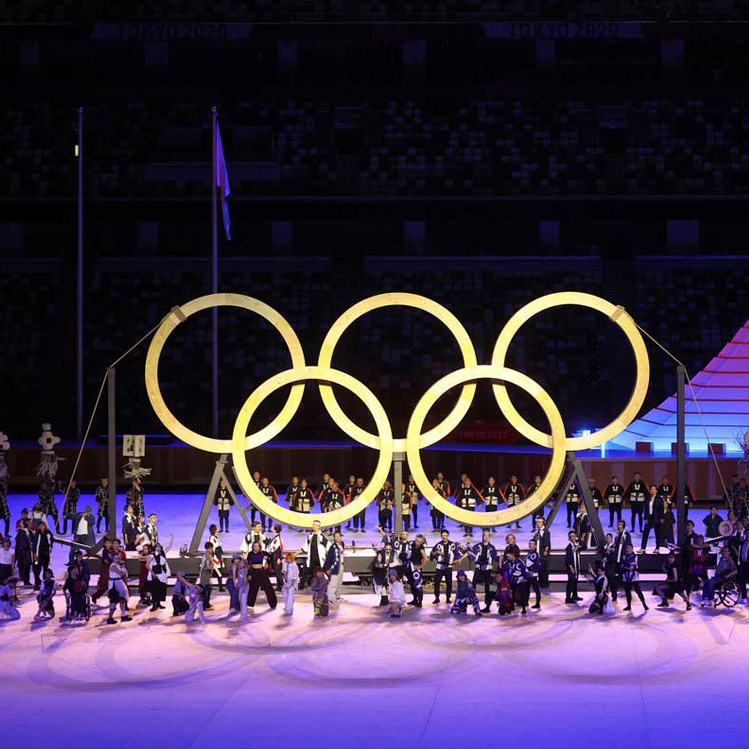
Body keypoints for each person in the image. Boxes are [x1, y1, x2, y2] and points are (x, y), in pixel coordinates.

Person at [430, 529, 463, 604]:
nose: (444, 537)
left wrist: (456, 560)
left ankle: (448, 598)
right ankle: (437, 598)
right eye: (443, 536)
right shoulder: (438, 545)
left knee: (449, 583)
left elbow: (457, 554)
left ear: (448, 536)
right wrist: (436, 552)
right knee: (437, 582)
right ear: (441, 536)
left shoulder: (452, 545)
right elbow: (432, 555)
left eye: (446, 535)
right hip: (440, 566)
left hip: (448, 567)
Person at [246, 540, 277, 611]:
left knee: (268, 589)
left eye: (257, 546)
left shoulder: (263, 553)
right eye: (254, 546)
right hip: (254, 572)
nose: (256, 548)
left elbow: (271, 559)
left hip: (262, 572)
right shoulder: (250, 554)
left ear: (260, 547)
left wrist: (268, 565)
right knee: (252, 589)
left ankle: (273, 604)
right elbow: (248, 565)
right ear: (253, 547)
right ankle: (250, 604)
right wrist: (249, 574)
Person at [469, 529, 497, 605]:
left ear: (489, 537)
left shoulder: (492, 547)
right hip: (478, 568)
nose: (486, 537)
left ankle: (487, 602)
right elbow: (471, 555)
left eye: (487, 535)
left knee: (487, 586)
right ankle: (472, 599)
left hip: (487, 569)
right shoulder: (477, 546)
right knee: (474, 584)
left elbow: (495, 557)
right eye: (484, 535)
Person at [620, 544, 649, 612]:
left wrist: (626, 565)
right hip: (626, 576)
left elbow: (632, 564)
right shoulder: (624, 556)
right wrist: (626, 567)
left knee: (638, 591)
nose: (628, 549)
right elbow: (621, 566)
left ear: (632, 549)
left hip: (634, 577)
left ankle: (644, 604)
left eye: (630, 548)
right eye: (627, 548)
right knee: (627, 592)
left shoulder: (635, 556)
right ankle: (629, 605)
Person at [301, 520, 329, 589]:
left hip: (319, 560)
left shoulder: (321, 536)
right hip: (312, 559)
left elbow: (328, 546)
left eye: (316, 525)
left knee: (321, 574)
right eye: (314, 525)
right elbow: (305, 547)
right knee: (313, 574)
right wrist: (296, 553)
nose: (314, 527)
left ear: (319, 527)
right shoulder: (310, 536)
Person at [640, 485, 664, 552]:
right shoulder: (647, 499)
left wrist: (661, 517)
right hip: (649, 517)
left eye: (654, 489)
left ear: (656, 490)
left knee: (657, 534)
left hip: (656, 517)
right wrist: (645, 518)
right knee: (645, 533)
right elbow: (645, 509)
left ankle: (657, 548)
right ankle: (643, 547)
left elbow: (661, 509)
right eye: (651, 489)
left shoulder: (659, 499)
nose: (652, 491)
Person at [323, 530, 345, 606]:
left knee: (339, 583)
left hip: (341, 565)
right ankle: (329, 598)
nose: (337, 538)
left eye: (339, 536)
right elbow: (329, 558)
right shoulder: (333, 547)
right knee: (333, 583)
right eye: (336, 536)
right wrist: (327, 568)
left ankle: (338, 597)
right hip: (335, 567)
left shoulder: (342, 544)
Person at [147, 542, 170, 612]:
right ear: (154, 548)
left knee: (160, 589)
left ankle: (159, 603)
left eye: (159, 547)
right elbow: (147, 565)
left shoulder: (162, 554)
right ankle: (154, 605)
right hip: (155, 574)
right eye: (157, 547)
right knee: (155, 590)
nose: (158, 548)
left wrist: (172, 538)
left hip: (162, 574)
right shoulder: (151, 555)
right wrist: (152, 572)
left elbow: (169, 547)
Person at [406, 534, 427, 607]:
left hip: (416, 568)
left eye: (418, 541)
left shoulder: (421, 548)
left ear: (421, 542)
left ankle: (420, 601)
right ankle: (415, 599)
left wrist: (420, 566)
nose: (416, 542)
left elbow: (426, 558)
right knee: (412, 584)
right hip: (410, 566)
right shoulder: (413, 545)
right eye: (416, 540)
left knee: (417, 585)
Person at [32, 520, 54, 590]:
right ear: (39, 527)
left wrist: (50, 544)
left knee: (45, 568)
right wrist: (35, 553)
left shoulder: (48, 532)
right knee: (37, 569)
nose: (43, 527)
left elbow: (51, 540)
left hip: (46, 553)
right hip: (39, 554)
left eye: (44, 526)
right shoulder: (37, 534)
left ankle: (45, 582)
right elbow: (35, 544)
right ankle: (37, 583)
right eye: (41, 526)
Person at [373, 541, 396, 606]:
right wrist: (384, 565)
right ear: (384, 548)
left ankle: (386, 599)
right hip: (381, 572)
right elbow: (377, 564)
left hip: (389, 572)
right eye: (386, 549)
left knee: (390, 585)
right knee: (383, 585)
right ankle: (384, 599)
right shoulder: (381, 554)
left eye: (389, 549)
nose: (388, 551)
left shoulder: (393, 554)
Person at [199, 542, 218, 611]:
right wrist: (212, 566)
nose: (212, 550)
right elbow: (207, 566)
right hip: (205, 575)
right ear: (208, 548)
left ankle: (207, 603)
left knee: (208, 588)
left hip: (205, 575)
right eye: (211, 548)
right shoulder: (207, 556)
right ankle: (206, 605)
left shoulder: (206, 555)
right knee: (207, 590)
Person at [524, 539, 542, 610]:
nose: (530, 545)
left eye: (532, 544)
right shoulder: (529, 553)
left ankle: (538, 603)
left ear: (535, 545)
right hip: (528, 574)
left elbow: (538, 565)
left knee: (536, 589)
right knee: (527, 589)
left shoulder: (535, 554)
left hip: (533, 575)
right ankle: (525, 602)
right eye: (530, 543)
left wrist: (533, 571)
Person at [564, 531, 582, 604]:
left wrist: (577, 544)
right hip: (572, 567)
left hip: (577, 566)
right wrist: (571, 567)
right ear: (569, 538)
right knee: (570, 582)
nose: (573, 538)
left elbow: (585, 546)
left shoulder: (576, 545)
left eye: (574, 536)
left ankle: (575, 595)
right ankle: (568, 598)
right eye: (571, 536)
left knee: (575, 581)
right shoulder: (569, 547)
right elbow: (567, 559)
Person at [14, 519, 32, 587]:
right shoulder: (22, 532)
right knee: (24, 566)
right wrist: (28, 545)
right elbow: (22, 543)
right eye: (29, 523)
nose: (31, 524)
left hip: (26, 552)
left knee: (27, 566)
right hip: (23, 553)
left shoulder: (28, 532)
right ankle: (25, 581)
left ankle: (27, 581)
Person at [534, 516, 551, 588]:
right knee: (540, 569)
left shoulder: (545, 532)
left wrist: (546, 550)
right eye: (537, 522)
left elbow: (547, 542)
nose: (538, 524)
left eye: (539, 522)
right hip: (538, 553)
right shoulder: (537, 532)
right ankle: (540, 582)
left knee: (544, 569)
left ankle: (545, 583)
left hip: (543, 553)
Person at [267, 524, 284, 591]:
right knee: (276, 572)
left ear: (275, 529)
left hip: (276, 557)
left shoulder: (278, 539)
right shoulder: (275, 537)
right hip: (273, 556)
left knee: (278, 572)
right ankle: (279, 586)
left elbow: (279, 549)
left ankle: (282, 585)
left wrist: (279, 558)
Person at [208, 524, 225, 592]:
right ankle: (219, 587)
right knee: (217, 573)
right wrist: (219, 557)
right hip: (215, 557)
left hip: (217, 556)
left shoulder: (216, 537)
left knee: (218, 573)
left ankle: (220, 586)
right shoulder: (212, 538)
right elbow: (214, 549)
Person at [234, 556, 251, 621]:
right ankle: (242, 614)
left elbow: (245, 579)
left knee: (243, 601)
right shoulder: (239, 570)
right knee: (241, 600)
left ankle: (244, 616)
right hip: (241, 587)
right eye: (240, 563)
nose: (240, 564)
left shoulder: (243, 570)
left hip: (244, 587)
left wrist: (243, 587)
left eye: (242, 563)